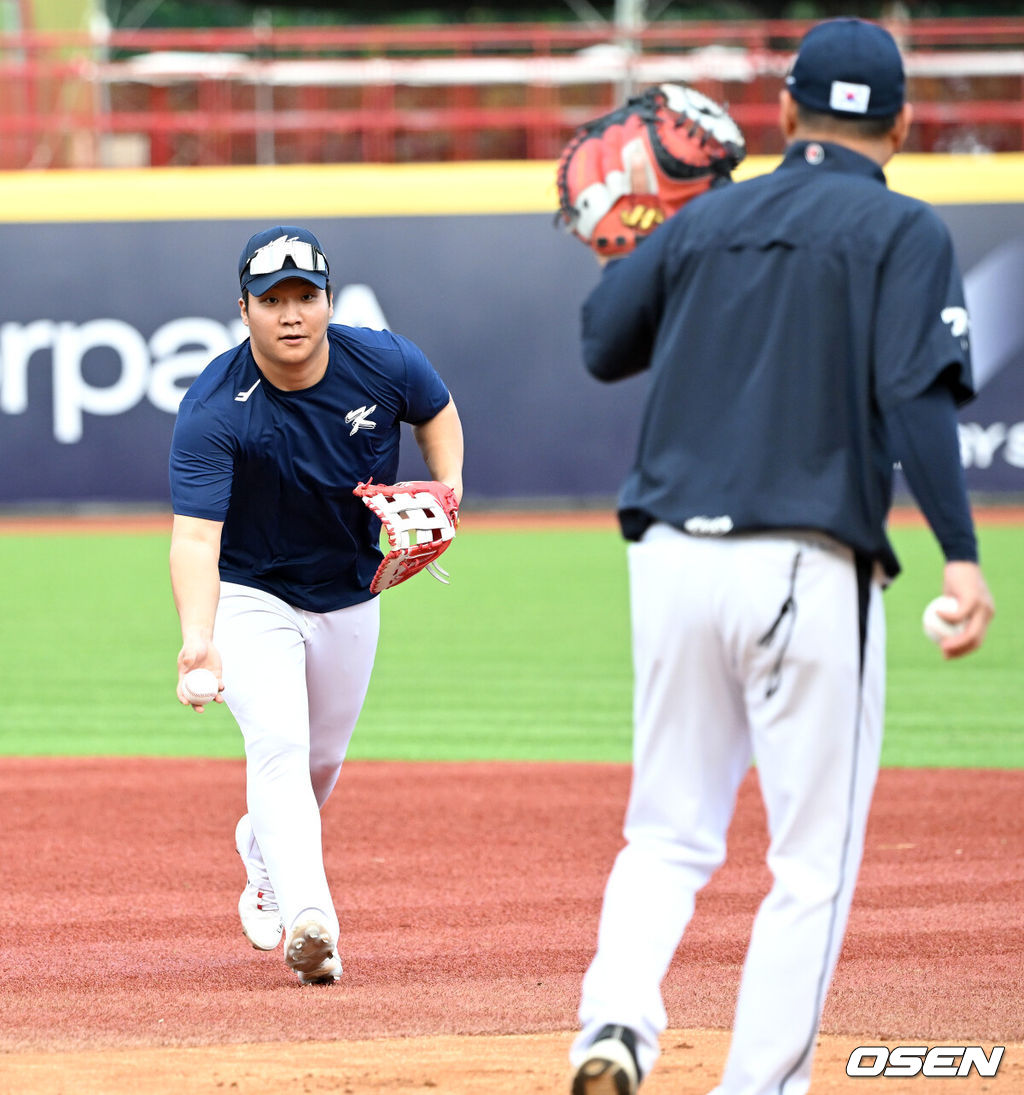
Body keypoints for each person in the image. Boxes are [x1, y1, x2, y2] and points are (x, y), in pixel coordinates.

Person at [569, 18, 994, 1095]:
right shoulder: (902, 228)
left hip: (667, 555)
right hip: (806, 563)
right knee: (809, 864)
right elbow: (911, 391)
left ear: (785, 113)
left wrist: (650, 233)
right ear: (899, 123)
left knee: (665, 832)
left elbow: (602, 342)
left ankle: (614, 1023)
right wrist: (958, 554)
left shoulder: (709, 219)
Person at [168, 225, 463, 985]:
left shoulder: (386, 360)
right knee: (279, 748)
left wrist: (448, 488)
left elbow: (437, 410)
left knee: (322, 762)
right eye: (273, 300)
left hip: (350, 589)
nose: (291, 313)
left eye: (306, 296)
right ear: (244, 309)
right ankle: (312, 919)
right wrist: (198, 639)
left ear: (329, 301)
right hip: (252, 591)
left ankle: (261, 850)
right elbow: (197, 537)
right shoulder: (215, 405)